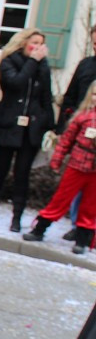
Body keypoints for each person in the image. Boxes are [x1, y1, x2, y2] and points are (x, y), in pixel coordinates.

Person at [0, 28, 55, 232]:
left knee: (22, 174)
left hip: (31, 128)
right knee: (0, 170)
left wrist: (49, 124)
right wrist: (32, 61)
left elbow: (46, 96)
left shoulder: (44, 67)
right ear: (23, 43)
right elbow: (15, 83)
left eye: (41, 44)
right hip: (8, 124)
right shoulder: (9, 61)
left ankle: (17, 217)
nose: (38, 48)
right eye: (34, 43)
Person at [23, 81, 96, 254]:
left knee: (90, 206)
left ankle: (82, 240)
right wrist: (57, 159)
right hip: (77, 165)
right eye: (94, 94)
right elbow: (66, 142)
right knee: (61, 199)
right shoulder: (82, 117)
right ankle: (39, 229)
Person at [53, 24, 96, 240]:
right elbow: (70, 97)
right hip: (83, 135)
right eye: (95, 42)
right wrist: (64, 127)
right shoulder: (86, 65)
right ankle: (79, 226)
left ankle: (88, 230)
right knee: (79, 186)